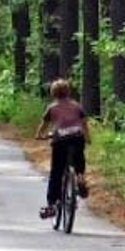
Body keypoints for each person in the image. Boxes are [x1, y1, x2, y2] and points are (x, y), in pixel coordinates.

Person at [34, 77, 89, 219]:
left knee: (56, 172)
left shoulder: (52, 108)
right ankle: (80, 178)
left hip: (60, 140)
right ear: (68, 92)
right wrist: (87, 137)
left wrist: (39, 135)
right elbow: (84, 123)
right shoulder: (76, 106)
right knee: (79, 160)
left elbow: (44, 125)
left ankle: (51, 204)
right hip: (77, 137)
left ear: (53, 93)